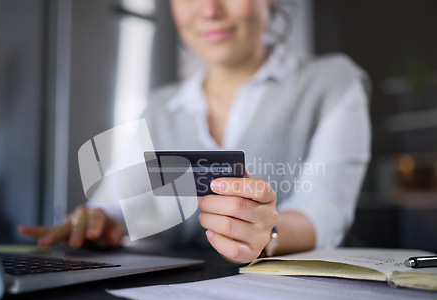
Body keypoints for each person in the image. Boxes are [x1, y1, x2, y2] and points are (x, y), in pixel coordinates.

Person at [19, 0, 371, 264]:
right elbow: (117, 202)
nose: (209, 10)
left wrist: (268, 233)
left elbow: (325, 209)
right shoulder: (161, 107)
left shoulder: (333, 82)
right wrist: (99, 221)